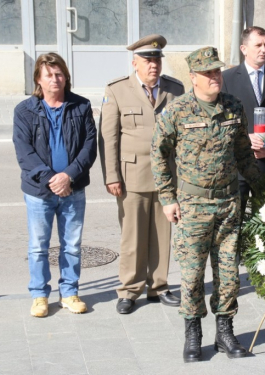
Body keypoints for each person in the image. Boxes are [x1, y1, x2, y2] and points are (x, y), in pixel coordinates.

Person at [151, 46, 264, 363]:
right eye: (208, 73)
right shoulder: (178, 111)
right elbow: (158, 155)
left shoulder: (233, 107)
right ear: (193, 78)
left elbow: (244, 154)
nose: (215, 77)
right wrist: (167, 198)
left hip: (229, 204)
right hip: (193, 205)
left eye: (217, 71)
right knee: (192, 275)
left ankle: (225, 333)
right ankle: (192, 334)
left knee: (229, 274)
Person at [99, 34, 184, 314]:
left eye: (157, 59)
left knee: (162, 234)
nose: (154, 65)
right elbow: (108, 138)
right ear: (135, 63)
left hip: (166, 177)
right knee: (132, 236)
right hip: (131, 175)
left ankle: (158, 286)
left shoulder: (175, 90)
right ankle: (129, 290)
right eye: (147, 60)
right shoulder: (117, 90)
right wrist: (112, 175)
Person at [13, 53, 97, 317]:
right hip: (39, 191)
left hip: (73, 188)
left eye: (59, 73)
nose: (55, 79)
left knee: (72, 244)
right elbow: (24, 152)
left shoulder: (81, 106)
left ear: (66, 77)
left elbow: (89, 147)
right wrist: (53, 178)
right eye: (48, 74)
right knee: (38, 245)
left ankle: (69, 292)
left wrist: (68, 176)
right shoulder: (24, 110)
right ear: (38, 78)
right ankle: (39, 296)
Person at [222, 26, 265, 215]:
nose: (264, 49)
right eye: (258, 45)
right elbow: (221, 121)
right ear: (244, 49)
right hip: (237, 166)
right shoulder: (227, 79)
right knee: (234, 224)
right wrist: (245, 138)